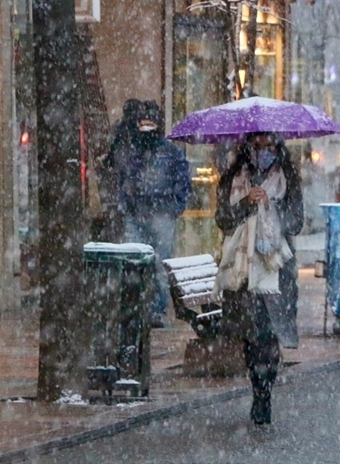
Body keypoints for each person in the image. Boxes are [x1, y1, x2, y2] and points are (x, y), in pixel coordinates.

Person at [214, 132, 304, 425]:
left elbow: (297, 221)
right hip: (243, 267)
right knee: (252, 336)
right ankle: (258, 387)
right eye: (257, 146)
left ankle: (265, 392)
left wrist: (270, 207)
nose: (263, 151)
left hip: (276, 266)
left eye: (269, 146)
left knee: (269, 334)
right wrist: (246, 203)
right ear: (247, 148)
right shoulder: (233, 177)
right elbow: (223, 219)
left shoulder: (286, 178)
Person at [106, 99, 192, 328]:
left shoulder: (170, 152)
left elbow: (182, 180)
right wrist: (126, 204)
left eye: (150, 124)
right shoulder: (135, 150)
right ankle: (137, 308)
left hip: (161, 215)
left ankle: (156, 310)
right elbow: (123, 177)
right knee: (135, 263)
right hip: (137, 213)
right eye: (143, 124)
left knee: (159, 265)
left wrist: (174, 207)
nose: (146, 129)